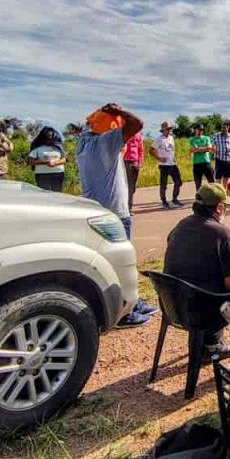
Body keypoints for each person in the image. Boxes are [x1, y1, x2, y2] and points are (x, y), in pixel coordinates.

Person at [75, 103, 155, 327]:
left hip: (98, 209)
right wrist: (117, 109)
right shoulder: (105, 141)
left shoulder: (83, 143)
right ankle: (123, 312)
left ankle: (133, 301)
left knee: (111, 261)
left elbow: (90, 126)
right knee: (120, 264)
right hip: (115, 213)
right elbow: (137, 124)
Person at [164, 182, 230, 356]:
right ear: (219, 208)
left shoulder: (180, 225)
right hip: (203, 312)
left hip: (173, 305)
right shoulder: (221, 233)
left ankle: (207, 344)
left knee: (206, 283)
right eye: (225, 206)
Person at [27, 126, 67, 191]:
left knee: (58, 194)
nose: (49, 138)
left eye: (51, 136)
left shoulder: (59, 147)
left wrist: (55, 163)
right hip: (42, 174)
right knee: (44, 195)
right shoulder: (37, 147)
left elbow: (64, 159)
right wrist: (46, 162)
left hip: (58, 173)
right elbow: (31, 161)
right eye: (47, 137)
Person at [152, 121, 181, 209]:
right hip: (164, 165)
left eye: (170, 129)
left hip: (172, 163)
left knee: (178, 182)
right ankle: (164, 201)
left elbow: (172, 150)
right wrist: (159, 158)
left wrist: (174, 158)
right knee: (163, 184)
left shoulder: (171, 138)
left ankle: (175, 198)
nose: (169, 130)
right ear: (163, 130)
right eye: (167, 129)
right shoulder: (159, 139)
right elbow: (151, 150)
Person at [122, 131, 144, 211]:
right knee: (128, 185)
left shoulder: (138, 135)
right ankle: (128, 207)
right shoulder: (125, 133)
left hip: (135, 161)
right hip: (126, 161)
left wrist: (140, 162)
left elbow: (140, 149)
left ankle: (128, 205)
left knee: (133, 187)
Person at [189, 124, 215, 190]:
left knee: (211, 181)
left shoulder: (206, 138)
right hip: (196, 163)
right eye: (199, 129)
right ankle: (199, 199)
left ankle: (213, 198)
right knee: (198, 184)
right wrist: (204, 149)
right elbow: (192, 150)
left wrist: (198, 149)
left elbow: (209, 148)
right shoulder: (192, 140)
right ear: (195, 130)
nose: (200, 131)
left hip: (206, 162)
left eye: (201, 130)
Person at [213, 122, 230, 188]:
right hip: (219, 159)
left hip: (228, 159)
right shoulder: (217, 135)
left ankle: (224, 190)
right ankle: (219, 191)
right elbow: (212, 145)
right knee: (218, 177)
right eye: (222, 127)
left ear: (228, 127)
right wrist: (214, 149)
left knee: (226, 176)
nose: (223, 129)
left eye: (224, 128)